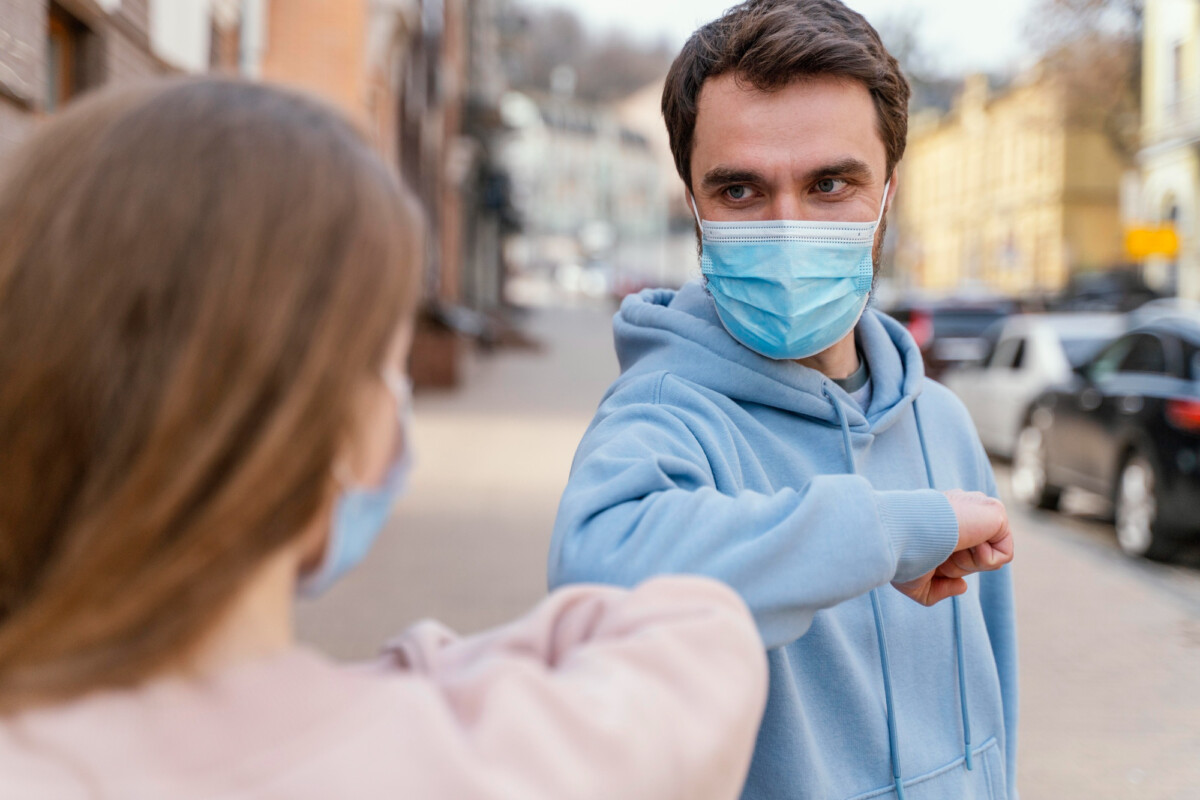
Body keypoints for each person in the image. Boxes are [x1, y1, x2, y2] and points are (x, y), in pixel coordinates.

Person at [0, 78, 768, 799]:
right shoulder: (466, 762)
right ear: (335, 425)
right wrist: (425, 677)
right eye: (385, 362)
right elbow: (703, 637)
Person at [548, 2, 1018, 798]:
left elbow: (995, 697)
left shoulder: (942, 422)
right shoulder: (664, 415)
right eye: (740, 190)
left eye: (830, 183)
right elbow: (595, 577)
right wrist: (884, 531)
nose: (789, 225)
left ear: (888, 195)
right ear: (695, 204)